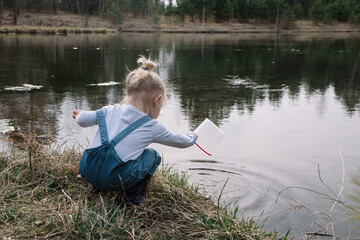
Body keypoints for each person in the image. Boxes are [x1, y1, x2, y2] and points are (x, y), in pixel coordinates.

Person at [73, 56, 197, 205]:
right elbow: (181, 142)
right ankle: (130, 197)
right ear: (157, 100)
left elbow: (81, 120)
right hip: (116, 180)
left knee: (106, 152)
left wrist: (80, 114)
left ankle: (97, 187)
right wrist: (192, 137)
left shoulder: (108, 110)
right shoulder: (151, 126)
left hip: (87, 171)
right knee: (152, 155)